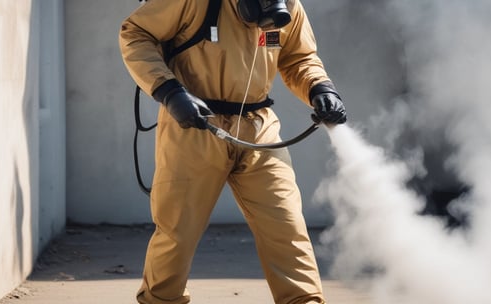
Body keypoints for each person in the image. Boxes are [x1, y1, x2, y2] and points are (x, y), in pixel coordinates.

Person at [119, 0, 346, 303]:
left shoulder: (289, 5)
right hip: (195, 127)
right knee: (177, 234)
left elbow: (299, 58)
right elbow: (136, 33)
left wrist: (320, 88)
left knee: (286, 227)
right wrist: (169, 92)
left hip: (260, 127)